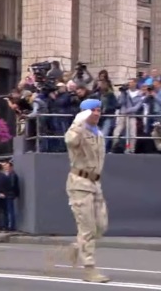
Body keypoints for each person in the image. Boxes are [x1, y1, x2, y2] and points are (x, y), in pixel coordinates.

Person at [65, 99, 110, 283]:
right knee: (88, 228)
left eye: (99, 110)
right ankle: (89, 270)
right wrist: (78, 122)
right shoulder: (78, 131)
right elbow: (69, 140)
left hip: (95, 184)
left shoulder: (98, 133)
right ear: (84, 113)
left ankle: (77, 247)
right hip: (79, 183)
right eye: (93, 110)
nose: (97, 113)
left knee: (101, 226)